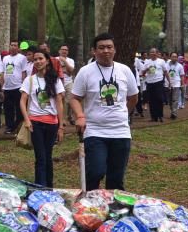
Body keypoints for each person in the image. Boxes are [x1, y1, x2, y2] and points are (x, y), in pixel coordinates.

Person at [70, 32, 139, 191]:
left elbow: (133, 97)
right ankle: (89, 206)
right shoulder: (86, 72)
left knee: (116, 177)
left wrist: (123, 114)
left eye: (109, 47)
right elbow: (74, 98)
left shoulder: (124, 70)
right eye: (101, 48)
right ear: (94, 51)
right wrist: (80, 116)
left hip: (120, 132)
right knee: (95, 171)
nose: (106, 51)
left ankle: (113, 209)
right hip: (94, 131)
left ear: (114, 50)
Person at [20, 50, 64, 187]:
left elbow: (59, 103)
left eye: (40, 59)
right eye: (35, 59)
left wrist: (61, 126)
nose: (38, 62)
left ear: (47, 61)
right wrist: (27, 120)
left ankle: (49, 186)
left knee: (48, 156)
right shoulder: (30, 79)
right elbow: (22, 101)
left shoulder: (55, 79)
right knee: (40, 157)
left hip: (52, 123)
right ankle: (39, 187)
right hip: (36, 123)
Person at [2, 41, 27, 134]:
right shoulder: (5, 58)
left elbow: (24, 72)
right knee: (8, 109)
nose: (13, 47)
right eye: (11, 45)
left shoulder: (22, 58)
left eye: (15, 45)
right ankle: (9, 127)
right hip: (7, 88)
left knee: (19, 108)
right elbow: (3, 72)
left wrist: (23, 86)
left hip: (18, 87)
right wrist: (2, 87)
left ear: (18, 48)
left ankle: (17, 126)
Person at [141, 48, 170, 122]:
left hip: (159, 82)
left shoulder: (161, 61)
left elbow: (165, 72)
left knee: (159, 99)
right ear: (149, 54)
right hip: (150, 83)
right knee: (151, 100)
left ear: (157, 53)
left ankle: (160, 116)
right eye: (151, 52)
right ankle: (153, 117)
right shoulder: (147, 62)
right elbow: (142, 74)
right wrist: (146, 70)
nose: (152, 53)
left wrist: (169, 82)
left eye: (154, 52)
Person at [58, 44, 76, 125]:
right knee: (61, 101)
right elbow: (55, 70)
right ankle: (62, 119)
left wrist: (64, 61)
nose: (64, 51)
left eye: (66, 50)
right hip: (58, 82)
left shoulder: (70, 60)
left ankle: (69, 116)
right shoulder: (55, 59)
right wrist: (64, 70)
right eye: (63, 49)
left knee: (70, 100)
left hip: (69, 82)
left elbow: (71, 71)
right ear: (59, 51)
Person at [166, 52, 185, 119]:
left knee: (175, 99)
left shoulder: (180, 66)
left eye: (175, 56)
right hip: (168, 84)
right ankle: (172, 111)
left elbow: (182, 75)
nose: (174, 58)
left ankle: (174, 113)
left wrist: (182, 84)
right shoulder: (166, 65)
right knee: (170, 100)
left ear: (177, 58)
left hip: (176, 84)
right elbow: (164, 74)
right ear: (170, 57)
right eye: (173, 56)